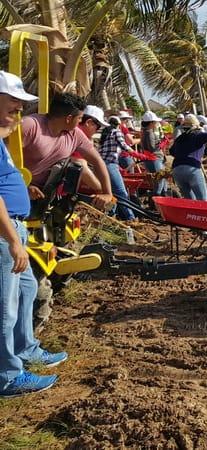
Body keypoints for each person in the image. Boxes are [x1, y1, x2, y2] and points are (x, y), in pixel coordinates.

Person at [0, 72, 68, 398]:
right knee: (5, 306)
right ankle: (7, 377)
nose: (18, 113)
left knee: (27, 288)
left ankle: (26, 349)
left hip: (16, 227)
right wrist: (13, 241)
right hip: (5, 232)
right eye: (13, 105)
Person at [20, 92, 114, 210]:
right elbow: (4, 161)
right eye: (79, 118)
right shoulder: (30, 126)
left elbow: (97, 160)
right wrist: (23, 187)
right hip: (18, 190)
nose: (80, 122)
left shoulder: (75, 134)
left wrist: (107, 193)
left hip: (44, 195)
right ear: (69, 118)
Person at [169, 114, 207, 201]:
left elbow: (171, 151)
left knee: (189, 200)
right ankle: (202, 214)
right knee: (203, 200)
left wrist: (183, 155)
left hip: (176, 170)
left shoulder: (179, 138)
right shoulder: (197, 134)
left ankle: (192, 214)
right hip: (192, 169)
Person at [98, 117, 136, 221]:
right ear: (118, 124)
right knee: (121, 193)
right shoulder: (116, 132)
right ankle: (131, 218)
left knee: (112, 193)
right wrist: (137, 154)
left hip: (101, 165)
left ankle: (109, 216)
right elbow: (124, 145)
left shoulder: (105, 134)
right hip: (110, 164)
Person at [140, 110, 167, 197]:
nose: (156, 123)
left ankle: (161, 196)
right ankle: (157, 198)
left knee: (160, 180)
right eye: (155, 122)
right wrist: (162, 143)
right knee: (160, 179)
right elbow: (152, 147)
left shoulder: (144, 132)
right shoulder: (149, 132)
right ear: (151, 123)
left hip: (150, 159)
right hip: (154, 158)